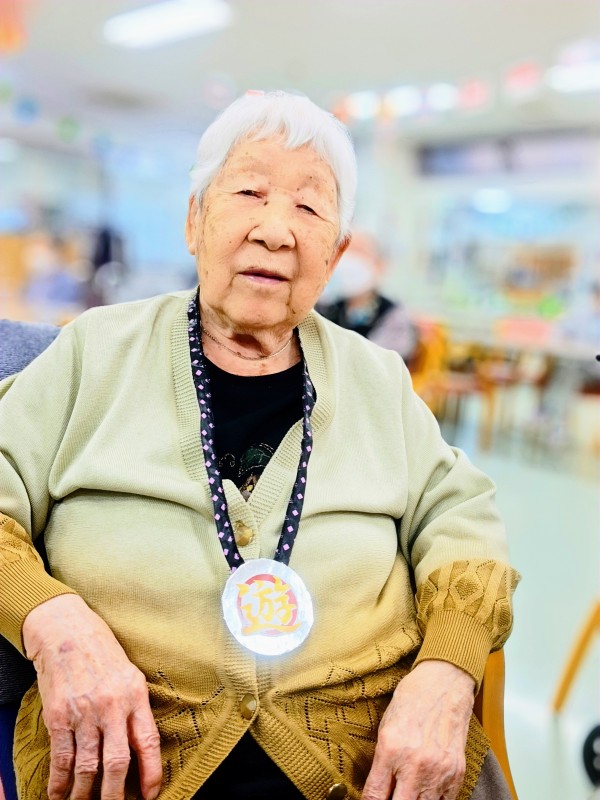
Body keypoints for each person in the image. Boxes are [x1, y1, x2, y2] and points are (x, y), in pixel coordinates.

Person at [0, 91, 519, 800]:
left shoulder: (377, 377)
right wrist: (51, 621)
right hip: (130, 763)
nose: (276, 231)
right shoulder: (94, 351)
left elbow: (463, 519)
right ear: (194, 219)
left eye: (309, 207)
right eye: (249, 192)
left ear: (335, 255)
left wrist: (448, 671)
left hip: (370, 765)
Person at [318, 232, 418, 365]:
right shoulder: (325, 306)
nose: (350, 260)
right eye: (346, 251)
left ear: (380, 265)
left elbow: (385, 363)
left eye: (359, 252)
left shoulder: (393, 314)